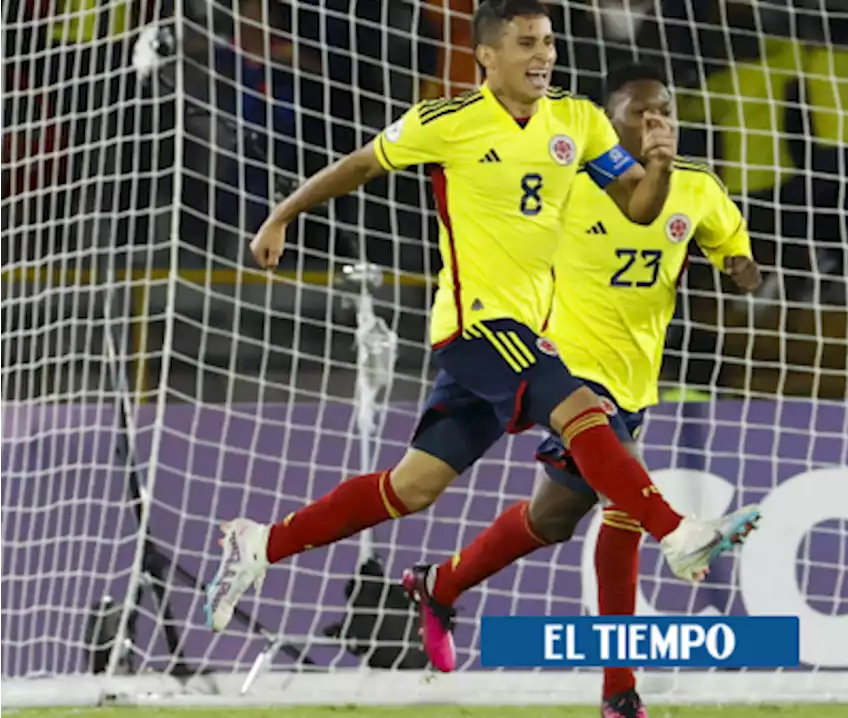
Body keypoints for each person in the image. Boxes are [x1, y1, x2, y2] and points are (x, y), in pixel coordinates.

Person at [203, 0, 761, 634]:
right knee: (580, 408)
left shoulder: (576, 121)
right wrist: (280, 216)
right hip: (476, 326)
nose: (544, 56)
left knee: (413, 487)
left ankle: (261, 544)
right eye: (527, 44)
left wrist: (658, 165)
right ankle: (676, 532)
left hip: (523, 330)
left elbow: (637, 207)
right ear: (488, 56)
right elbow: (358, 165)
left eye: (548, 42)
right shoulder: (448, 122)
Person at [398, 62, 761, 718]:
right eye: (639, 114)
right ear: (608, 125)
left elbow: (734, 252)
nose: (655, 124)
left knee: (553, 519)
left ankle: (438, 584)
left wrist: (740, 268)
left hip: (632, 379)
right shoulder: (571, 182)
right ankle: (619, 692)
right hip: (562, 372)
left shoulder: (699, 190)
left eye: (664, 113)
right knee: (625, 512)